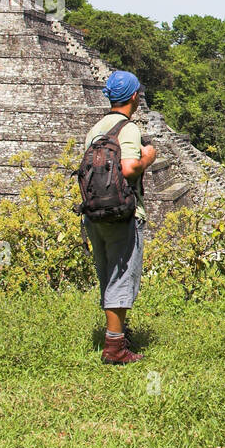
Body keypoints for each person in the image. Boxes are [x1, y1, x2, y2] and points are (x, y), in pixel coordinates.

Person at [85, 70, 157, 364]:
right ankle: (115, 349)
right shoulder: (127, 129)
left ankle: (117, 332)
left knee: (108, 276)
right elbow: (128, 168)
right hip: (122, 213)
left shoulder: (96, 129)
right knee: (123, 276)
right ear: (133, 96)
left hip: (94, 213)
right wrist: (148, 158)